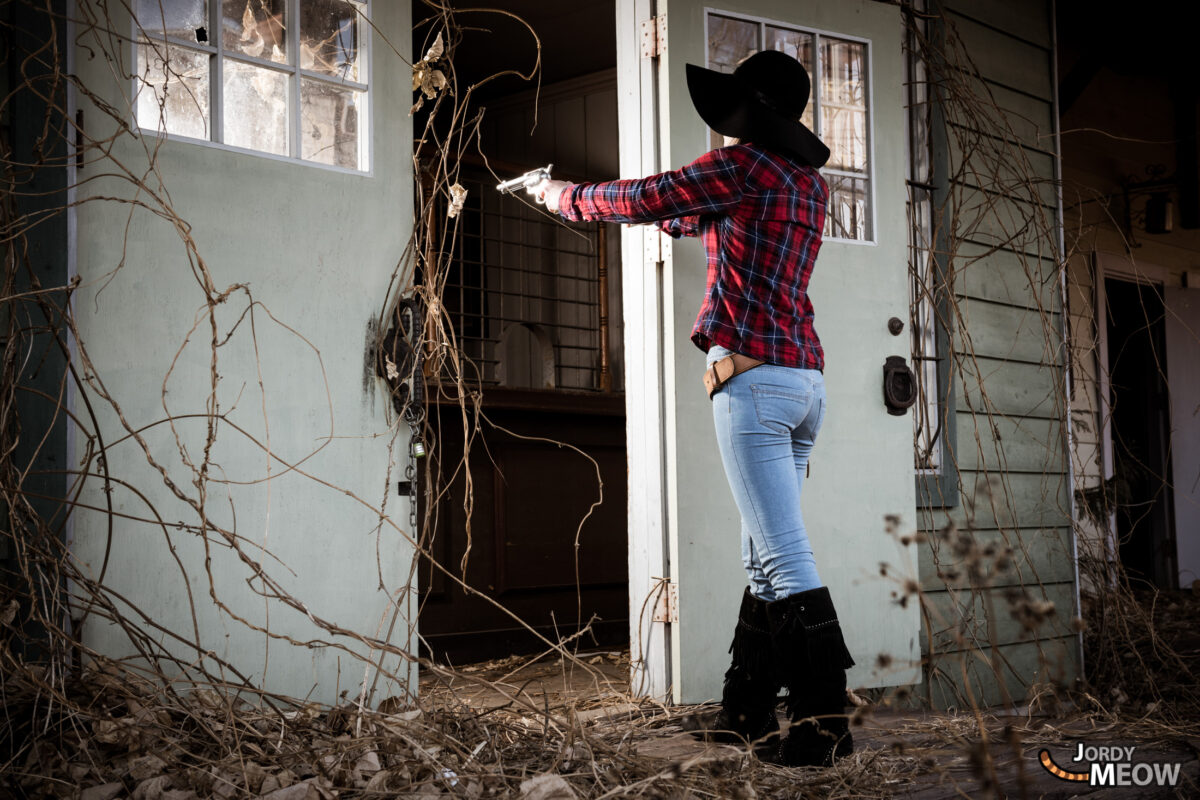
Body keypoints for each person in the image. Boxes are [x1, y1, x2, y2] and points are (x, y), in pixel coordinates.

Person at [533, 50, 855, 768]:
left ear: (753, 115)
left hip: (754, 381)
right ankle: (744, 713)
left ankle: (825, 726)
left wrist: (561, 196)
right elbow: (693, 217)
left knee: (782, 553)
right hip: (805, 384)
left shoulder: (742, 168)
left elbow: (652, 195)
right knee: (762, 556)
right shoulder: (805, 182)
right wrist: (668, 217)